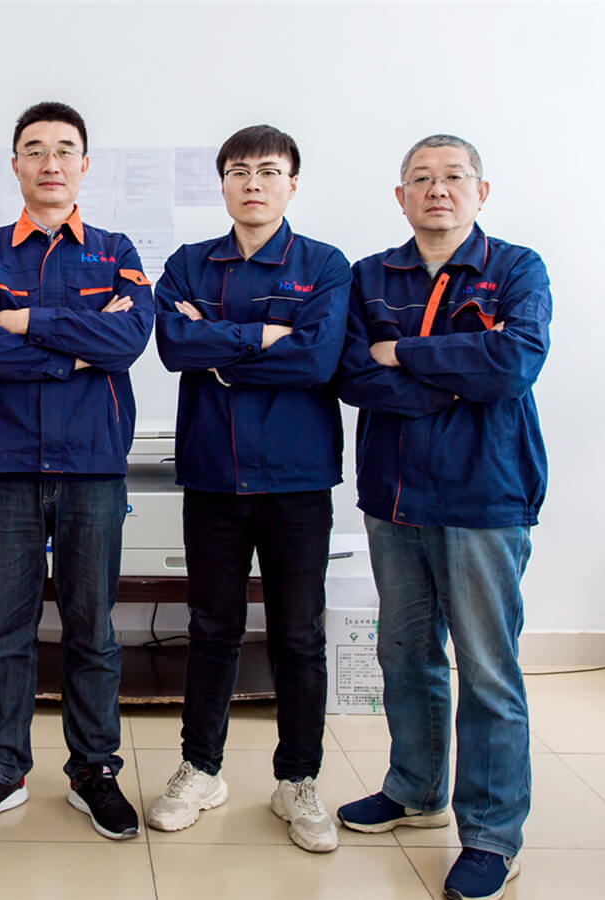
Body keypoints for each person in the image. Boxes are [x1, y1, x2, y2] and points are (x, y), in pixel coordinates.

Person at [334, 134, 551, 900]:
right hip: (394, 496)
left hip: (484, 496)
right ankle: (415, 788)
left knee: (487, 670)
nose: (438, 189)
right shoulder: (370, 277)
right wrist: (459, 369)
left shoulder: (516, 269)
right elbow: (352, 373)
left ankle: (491, 835)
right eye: (421, 179)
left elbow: (513, 364)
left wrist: (405, 354)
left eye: (454, 177)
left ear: (480, 192)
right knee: (405, 653)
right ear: (401, 197)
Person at [0, 101, 154, 840]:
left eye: (65, 150)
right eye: (35, 150)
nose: (50, 163)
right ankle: (1, 769)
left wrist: (31, 322)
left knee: (93, 628)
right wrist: (77, 353)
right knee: (4, 627)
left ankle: (94, 771)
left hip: (93, 466)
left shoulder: (116, 249)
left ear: (84, 165)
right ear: (16, 165)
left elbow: (128, 341)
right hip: (7, 466)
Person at [146, 124, 352, 853]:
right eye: (238, 171)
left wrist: (220, 342)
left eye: (268, 171)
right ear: (223, 184)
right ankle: (201, 769)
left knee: (298, 633)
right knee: (212, 628)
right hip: (213, 473)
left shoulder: (325, 265)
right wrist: (266, 335)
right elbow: (173, 346)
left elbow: (318, 360)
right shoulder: (188, 264)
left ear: (292, 183)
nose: (253, 183)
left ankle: (298, 779)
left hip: (298, 478)